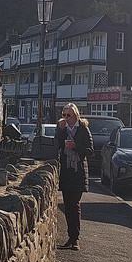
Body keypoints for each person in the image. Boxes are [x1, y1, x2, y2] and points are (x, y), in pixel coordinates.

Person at [54, 102, 92, 250]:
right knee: (67, 206)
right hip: (66, 172)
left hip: (78, 171)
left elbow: (89, 150)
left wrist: (75, 146)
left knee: (74, 205)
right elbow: (56, 145)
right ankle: (70, 237)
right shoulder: (62, 128)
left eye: (68, 115)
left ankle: (75, 239)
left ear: (75, 115)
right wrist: (60, 131)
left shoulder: (83, 129)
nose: (65, 118)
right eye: (63, 115)